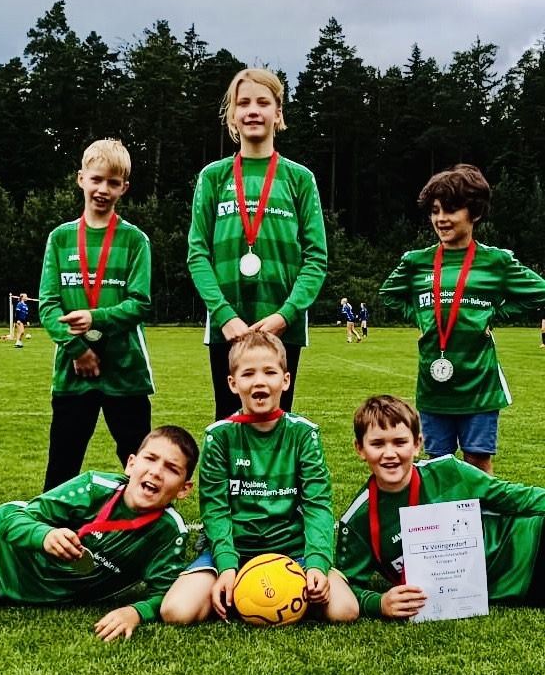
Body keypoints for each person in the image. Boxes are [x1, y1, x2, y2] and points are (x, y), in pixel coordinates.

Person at [160, 331, 358, 624]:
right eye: (248, 373)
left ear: (285, 380)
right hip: (235, 550)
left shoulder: (304, 434)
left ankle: (277, 589)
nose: (259, 382)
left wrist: (316, 563)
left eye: (269, 372)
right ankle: (238, 586)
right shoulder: (219, 436)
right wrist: (226, 565)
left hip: (292, 550)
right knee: (176, 611)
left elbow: (317, 505)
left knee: (345, 610)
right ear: (233, 383)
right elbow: (215, 509)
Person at [379, 163, 545, 474]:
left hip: (479, 385)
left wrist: (494, 313)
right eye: (435, 211)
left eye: (451, 210)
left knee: (477, 462)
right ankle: (443, 510)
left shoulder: (496, 262)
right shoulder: (416, 262)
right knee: (437, 465)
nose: (441, 219)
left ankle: (481, 509)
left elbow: (540, 292)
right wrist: (420, 317)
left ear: (475, 213)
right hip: (434, 387)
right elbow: (388, 294)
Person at [187, 68, 327, 420]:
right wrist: (224, 316)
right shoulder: (213, 177)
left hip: (282, 329)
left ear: (278, 113)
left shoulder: (300, 179)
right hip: (226, 330)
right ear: (232, 115)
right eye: (243, 103)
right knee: (228, 425)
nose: (253, 110)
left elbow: (316, 259)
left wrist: (285, 315)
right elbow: (197, 254)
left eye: (263, 103)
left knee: (275, 426)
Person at [0, 425, 198, 640]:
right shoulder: (94, 486)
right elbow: (13, 520)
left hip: (10, 587)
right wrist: (45, 535)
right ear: (131, 464)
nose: (156, 472)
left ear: (184, 489)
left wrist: (136, 612)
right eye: (150, 458)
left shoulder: (169, 533)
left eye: (172, 469)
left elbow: (166, 592)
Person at [336, 394, 545, 619]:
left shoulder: (449, 472)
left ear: (417, 444)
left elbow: (517, 497)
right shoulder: (357, 521)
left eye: (400, 442)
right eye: (377, 444)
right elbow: (345, 587)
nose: (390, 454)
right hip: (514, 588)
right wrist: (379, 603)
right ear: (360, 448)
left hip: (531, 545)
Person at [39, 138, 155, 491]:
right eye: (96, 179)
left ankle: (152, 524)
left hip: (126, 373)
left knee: (142, 467)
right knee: (62, 468)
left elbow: (140, 303)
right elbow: (48, 305)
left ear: (124, 188)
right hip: (73, 374)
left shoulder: (135, 240)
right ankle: (50, 525)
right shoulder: (60, 239)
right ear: (81, 179)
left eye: (113, 182)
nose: (103, 189)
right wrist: (78, 349)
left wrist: (95, 318)